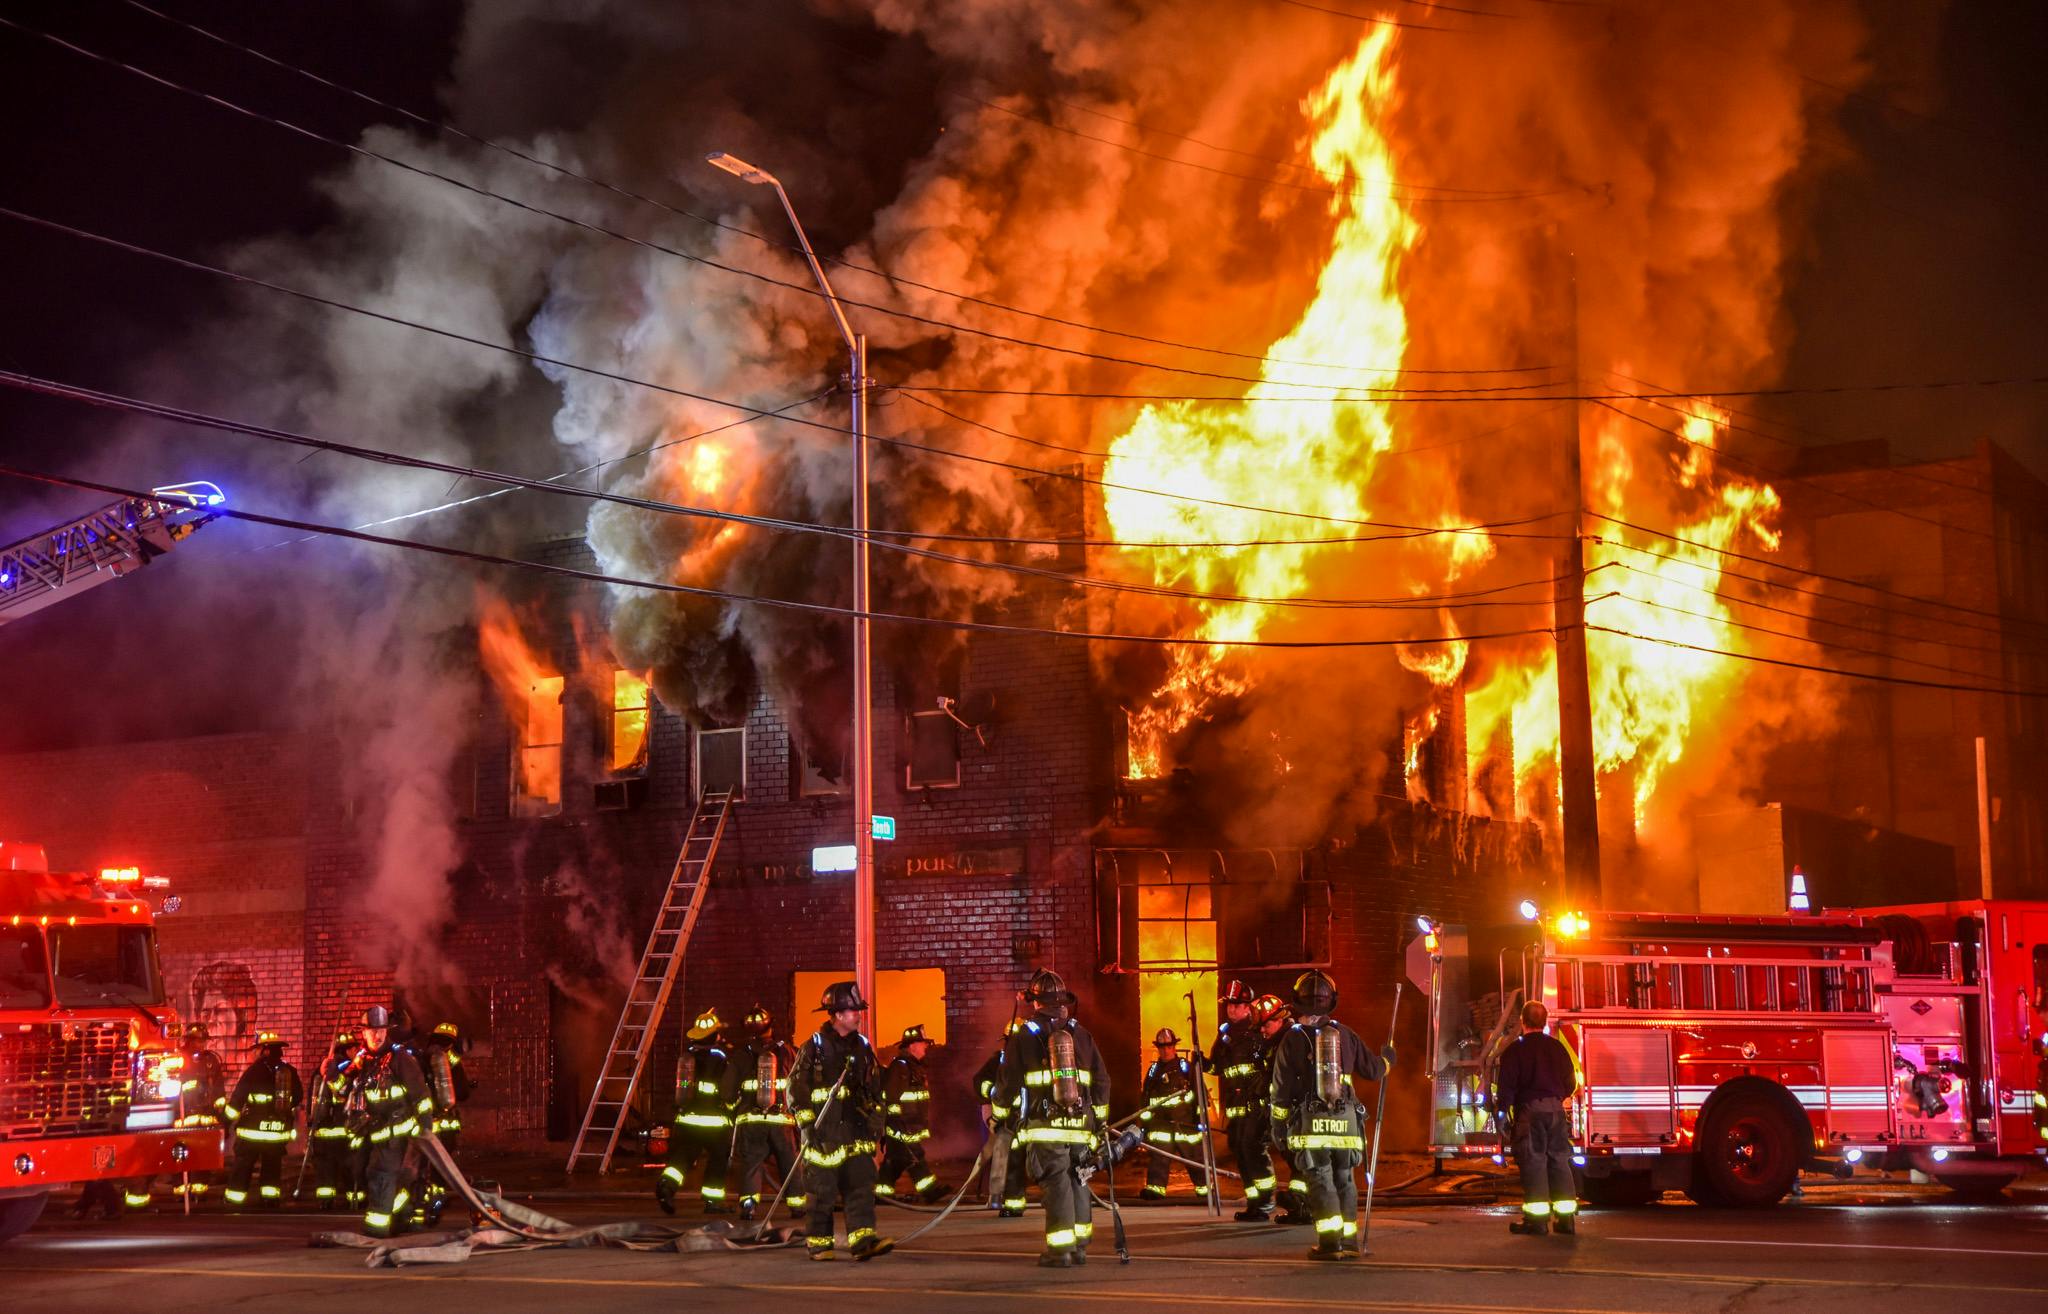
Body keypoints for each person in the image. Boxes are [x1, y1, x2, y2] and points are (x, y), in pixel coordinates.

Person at [1268, 970, 1393, 1261]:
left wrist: (1278, 1126)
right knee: (1345, 1179)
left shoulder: (1292, 1039)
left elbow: (1281, 1088)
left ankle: (1329, 1244)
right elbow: (1374, 1070)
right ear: (1330, 1001)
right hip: (1347, 1122)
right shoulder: (1345, 1034)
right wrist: (1389, 1058)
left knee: (1319, 1179)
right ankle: (1348, 1242)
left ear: (1297, 1001)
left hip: (1311, 1123)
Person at [994, 968, 1109, 1268]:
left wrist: (998, 1113)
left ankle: (1061, 1251)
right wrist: (1098, 1121)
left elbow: (1007, 1083)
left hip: (1046, 1128)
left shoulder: (1024, 1036)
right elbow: (1102, 1081)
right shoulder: (1081, 1034)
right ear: (1063, 1002)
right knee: (1079, 1180)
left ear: (1035, 1002)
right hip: (1081, 1126)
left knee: (1057, 1181)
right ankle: (1080, 1246)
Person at [788, 981, 893, 1261]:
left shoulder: (862, 1046)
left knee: (861, 1187)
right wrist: (807, 1124)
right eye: (852, 1010)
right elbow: (796, 1088)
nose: (857, 1015)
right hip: (823, 1135)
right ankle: (820, 1245)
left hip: (855, 1135)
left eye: (857, 1010)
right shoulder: (814, 1047)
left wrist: (876, 1122)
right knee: (822, 1193)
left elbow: (874, 1089)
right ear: (836, 1014)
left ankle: (863, 1242)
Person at [1492, 1000, 1580, 1236]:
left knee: (1534, 1163)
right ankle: (1566, 1220)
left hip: (1530, 1113)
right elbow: (1571, 1083)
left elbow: (1506, 1089)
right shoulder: (1557, 1048)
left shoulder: (1515, 1050)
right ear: (1544, 1022)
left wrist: (1502, 1116)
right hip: (1556, 1112)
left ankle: (1537, 1221)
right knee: (1559, 1161)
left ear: (1522, 1021)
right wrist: (1557, 1098)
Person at [347, 1005, 432, 1238]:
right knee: (362, 1173)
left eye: (381, 1030)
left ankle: (377, 1226)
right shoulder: (363, 1060)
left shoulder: (400, 1059)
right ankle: (404, 1214)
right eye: (372, 1030)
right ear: (363, 1033)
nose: (377, 1035)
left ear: (387, 1031)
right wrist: (332, 1074)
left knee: (381, 1173)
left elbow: (421, 1097)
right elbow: (344, 1090)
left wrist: (425, 1127)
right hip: (370, 1130)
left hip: (395, 1131)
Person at [722, 1004, 804, 1221]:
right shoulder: (789, 1051)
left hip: (752, 1119)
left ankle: (748, 1206)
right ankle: (797, 1206)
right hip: (782, 1120)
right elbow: (800, 1084)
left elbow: (727, 1091)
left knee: (751, 1163)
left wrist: (734, 1109)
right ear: (770, 1025)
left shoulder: (741, 1055)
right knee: (789, 1161)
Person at [657, 1008, 735, 1215]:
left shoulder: (688, 1055)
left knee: (683, 1156)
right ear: (714, 1034)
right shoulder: (720, 1056)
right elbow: (727, 1089)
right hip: (713, 1122)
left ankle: (667, 1185)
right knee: (718, 1159)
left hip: (687, 1118)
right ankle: (713, 1202)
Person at [1212, 980, 1275, 1220]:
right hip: (1235, 1106)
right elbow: (1217, 1067)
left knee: (1253, 1149)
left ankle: (1265, 1201)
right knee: (1239, 1149)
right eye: (1229, 1004)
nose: (1232, 1009)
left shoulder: (1258, 1032)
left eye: (1237, 1005)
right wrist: (1200, 1062)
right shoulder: (1225, 1033)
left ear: (1248, 1007)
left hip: (1255, 1104)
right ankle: (1253, 1202)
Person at [223, 1030, 302, 1209]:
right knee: (272, 1166)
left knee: (243, 1165)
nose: (256, 1052)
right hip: (277, 1131)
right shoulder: (289, 1071)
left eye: (258, 1049)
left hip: (252, 1132)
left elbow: (237, 1099)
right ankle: (270, 1199)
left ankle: (235, 1200)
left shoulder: (253, 1071)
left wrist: (226, 1123)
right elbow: (298, 1097)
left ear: (265, 1050)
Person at [1252, 993, 1310, 1225]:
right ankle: (1300, 1205)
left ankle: (1303, 1204)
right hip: (1286, 1111)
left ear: (1281, 1018)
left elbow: (1288, 1080)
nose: (1263, 1030)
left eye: (1267, 1024)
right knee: (1295, 1158)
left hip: (1296, 1111)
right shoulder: (1279, 1041)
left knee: (1300, 1158)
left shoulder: (1292, 1040)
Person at [878, 1024, 949, 1203]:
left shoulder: (914, 1067)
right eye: (922, 1043)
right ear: (912, 1046)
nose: (925, 1046)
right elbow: (890, 1097)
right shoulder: (900, 1067)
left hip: (909, 1124)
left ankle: (881, 1193)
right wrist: (896, 1123)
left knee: (896, 1161)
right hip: (901, 1125)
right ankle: (930, 1191)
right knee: (915, 1157)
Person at [1139, 1027, 1208, 1203]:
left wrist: (1201, 1120)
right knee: (1159, 1157)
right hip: (1161, 1125)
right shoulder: (1154, 1070)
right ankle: (1155, 1189)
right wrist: (1146, 1126)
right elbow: (1146, 1099)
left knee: (1195, 1159)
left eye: (1168, 1046)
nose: (1165, 1050)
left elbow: (1200, 1095)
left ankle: (1205, 1190)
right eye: (1162, 1047)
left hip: (1185, 1124)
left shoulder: (1186, 1067)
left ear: (1174, 1046)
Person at [418, 1021, 474, 1222]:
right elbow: (462, 1092)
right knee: (441, 1166)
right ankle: (435, 1201)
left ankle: (424, 1201)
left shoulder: (420, 1059)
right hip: (445, 1125)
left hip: (423, 1123)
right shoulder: (450, 1063)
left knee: (423, 1165)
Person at [973, 1019, 1029, 1216]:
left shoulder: (1033, 1059)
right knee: (1004, 1155)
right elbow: (979, 1081)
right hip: (1008, 1119)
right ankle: (999, 1198)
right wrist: (993, 1092)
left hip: (1031, 1119)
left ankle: (1057, 1196)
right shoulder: (1000, 1060)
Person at [306, 1030, 359, 1209]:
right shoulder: (349, 1069)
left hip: (321, 1131)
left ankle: (325, 1201)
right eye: (354, 1048)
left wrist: (310, 1125)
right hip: (343, 1129)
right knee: (349, 1167)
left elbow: (310, 1102)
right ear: (348, 1050)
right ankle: (355, 1199)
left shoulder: (319, 1071)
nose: (356, 1052)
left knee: (325, 1170)